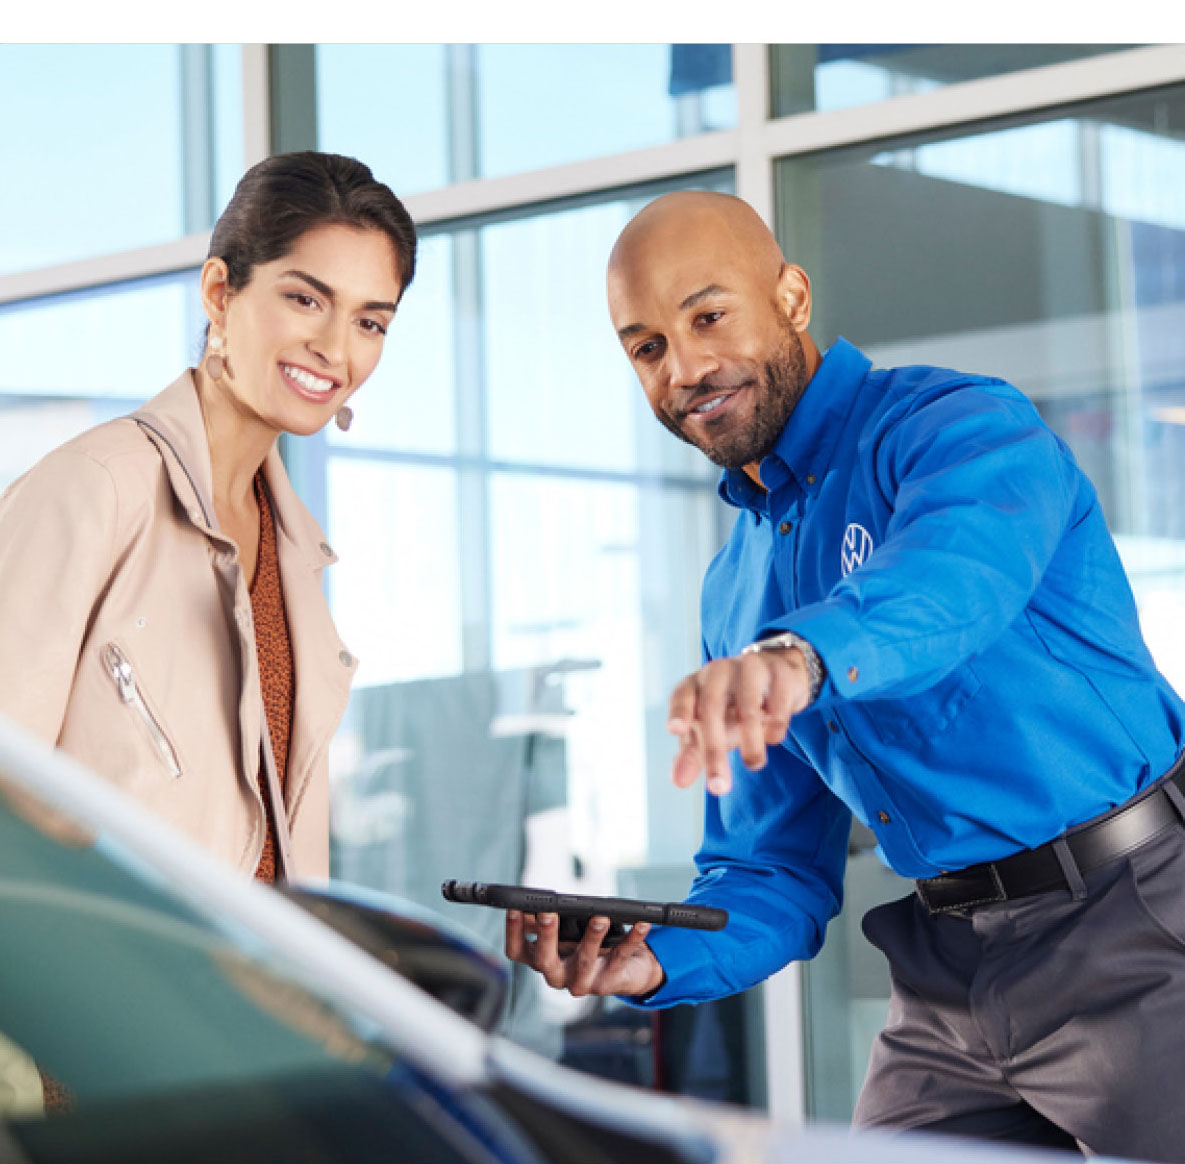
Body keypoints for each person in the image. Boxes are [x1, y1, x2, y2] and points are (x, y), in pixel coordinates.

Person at [505, 190, 1185, 1161]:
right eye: (647, 346)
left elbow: (955, 575)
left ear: (791, 294)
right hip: (944, 977)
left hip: (1137, 924)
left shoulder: (961, 426)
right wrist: (655, 960)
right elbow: (772, 868)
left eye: (708, 317)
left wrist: (800, 658)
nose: (686, 368)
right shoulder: (732, 591)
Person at [0, 150, 416, 885]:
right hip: (100, 985)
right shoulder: (96, 490)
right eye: (305, 299)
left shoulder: (298, 553)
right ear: (220, 292)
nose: (334, 348)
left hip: (242, 995)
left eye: (369, 322)